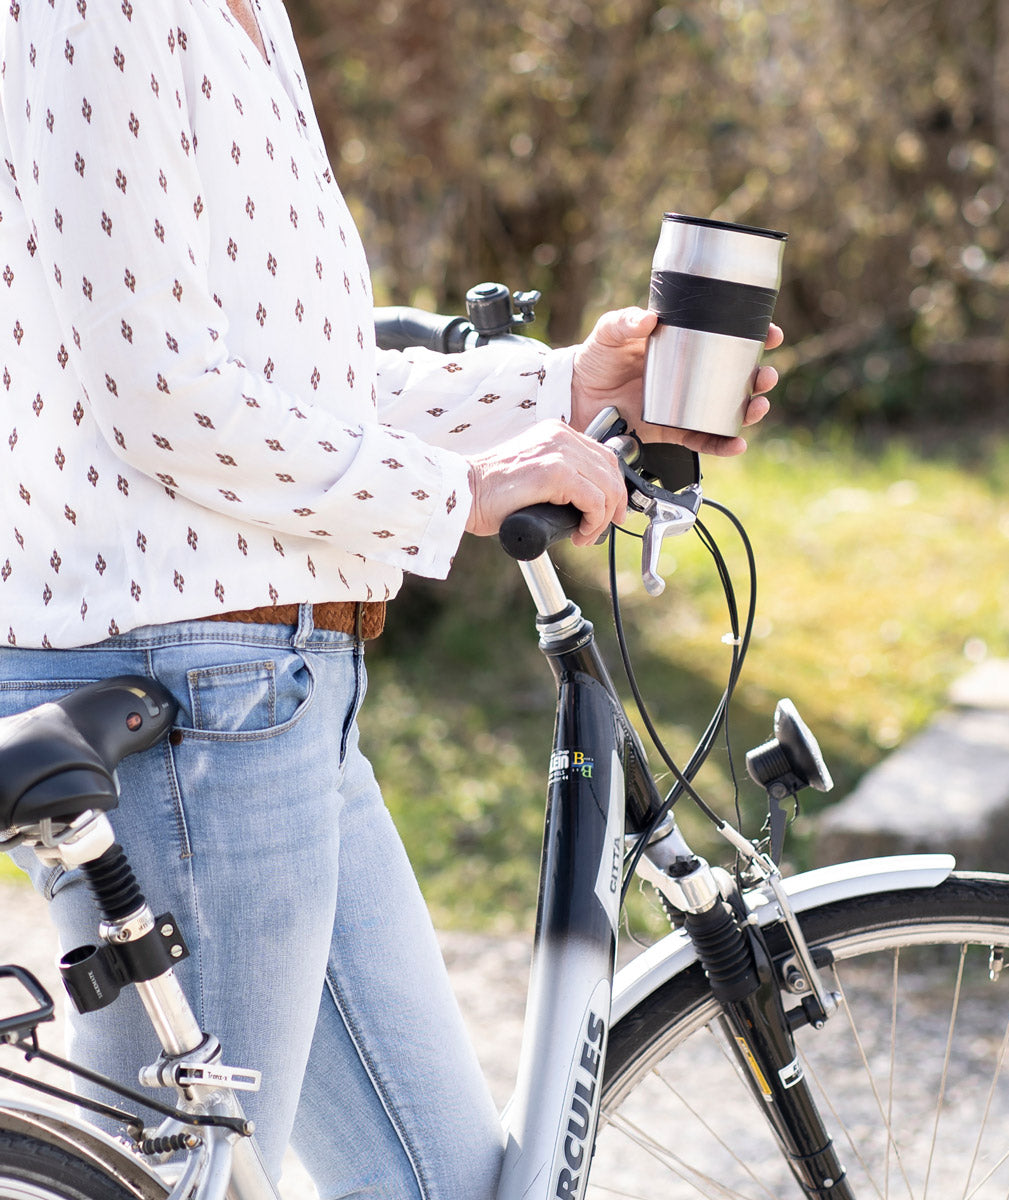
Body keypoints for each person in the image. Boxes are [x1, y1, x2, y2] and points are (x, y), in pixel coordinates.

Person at [0, 3, 779, 1198]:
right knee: (178, 1184)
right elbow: (160, 394)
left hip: (273, 694)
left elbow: (296, 384)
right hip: (188, 701)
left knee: (444, 1187)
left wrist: (559, 385)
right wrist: (462, 488)